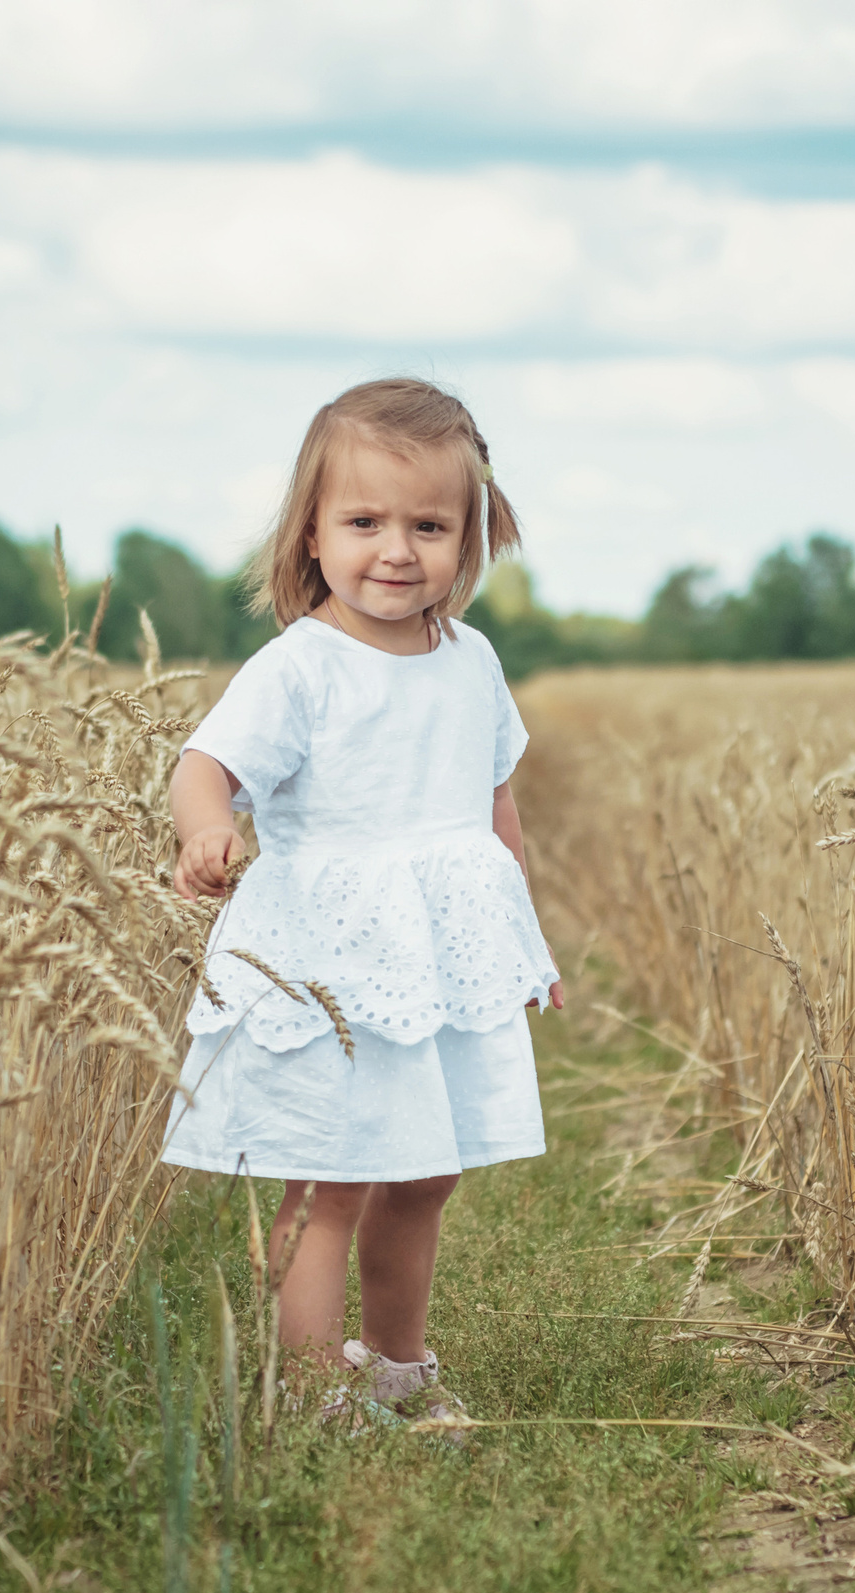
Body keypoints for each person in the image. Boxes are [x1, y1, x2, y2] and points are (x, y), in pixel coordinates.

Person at [161, 377, 565, 1427]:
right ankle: (307, 1393)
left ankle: (396, 1366)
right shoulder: (301, 668)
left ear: (470, 540)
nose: (397, 549)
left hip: (435, 965)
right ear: (309, 535)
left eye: (429, 525)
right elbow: (204, 764)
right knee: (327, 1181)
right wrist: (207, 828)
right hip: (331, 957)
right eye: (364, 522)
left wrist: (518, 948)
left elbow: (493, 809)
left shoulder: (471, 663)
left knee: (425, 1173)